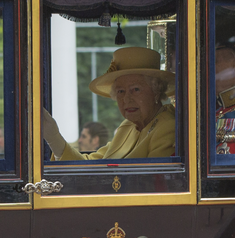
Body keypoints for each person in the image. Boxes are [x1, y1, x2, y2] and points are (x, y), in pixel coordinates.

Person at [43, 47, 176, 160]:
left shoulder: (167, 127)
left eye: (135, 89)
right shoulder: (128, 126)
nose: (126, 99)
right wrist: (53, 137)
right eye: (120, 91)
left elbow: (153, 182)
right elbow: (92, 165)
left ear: (156, 91)